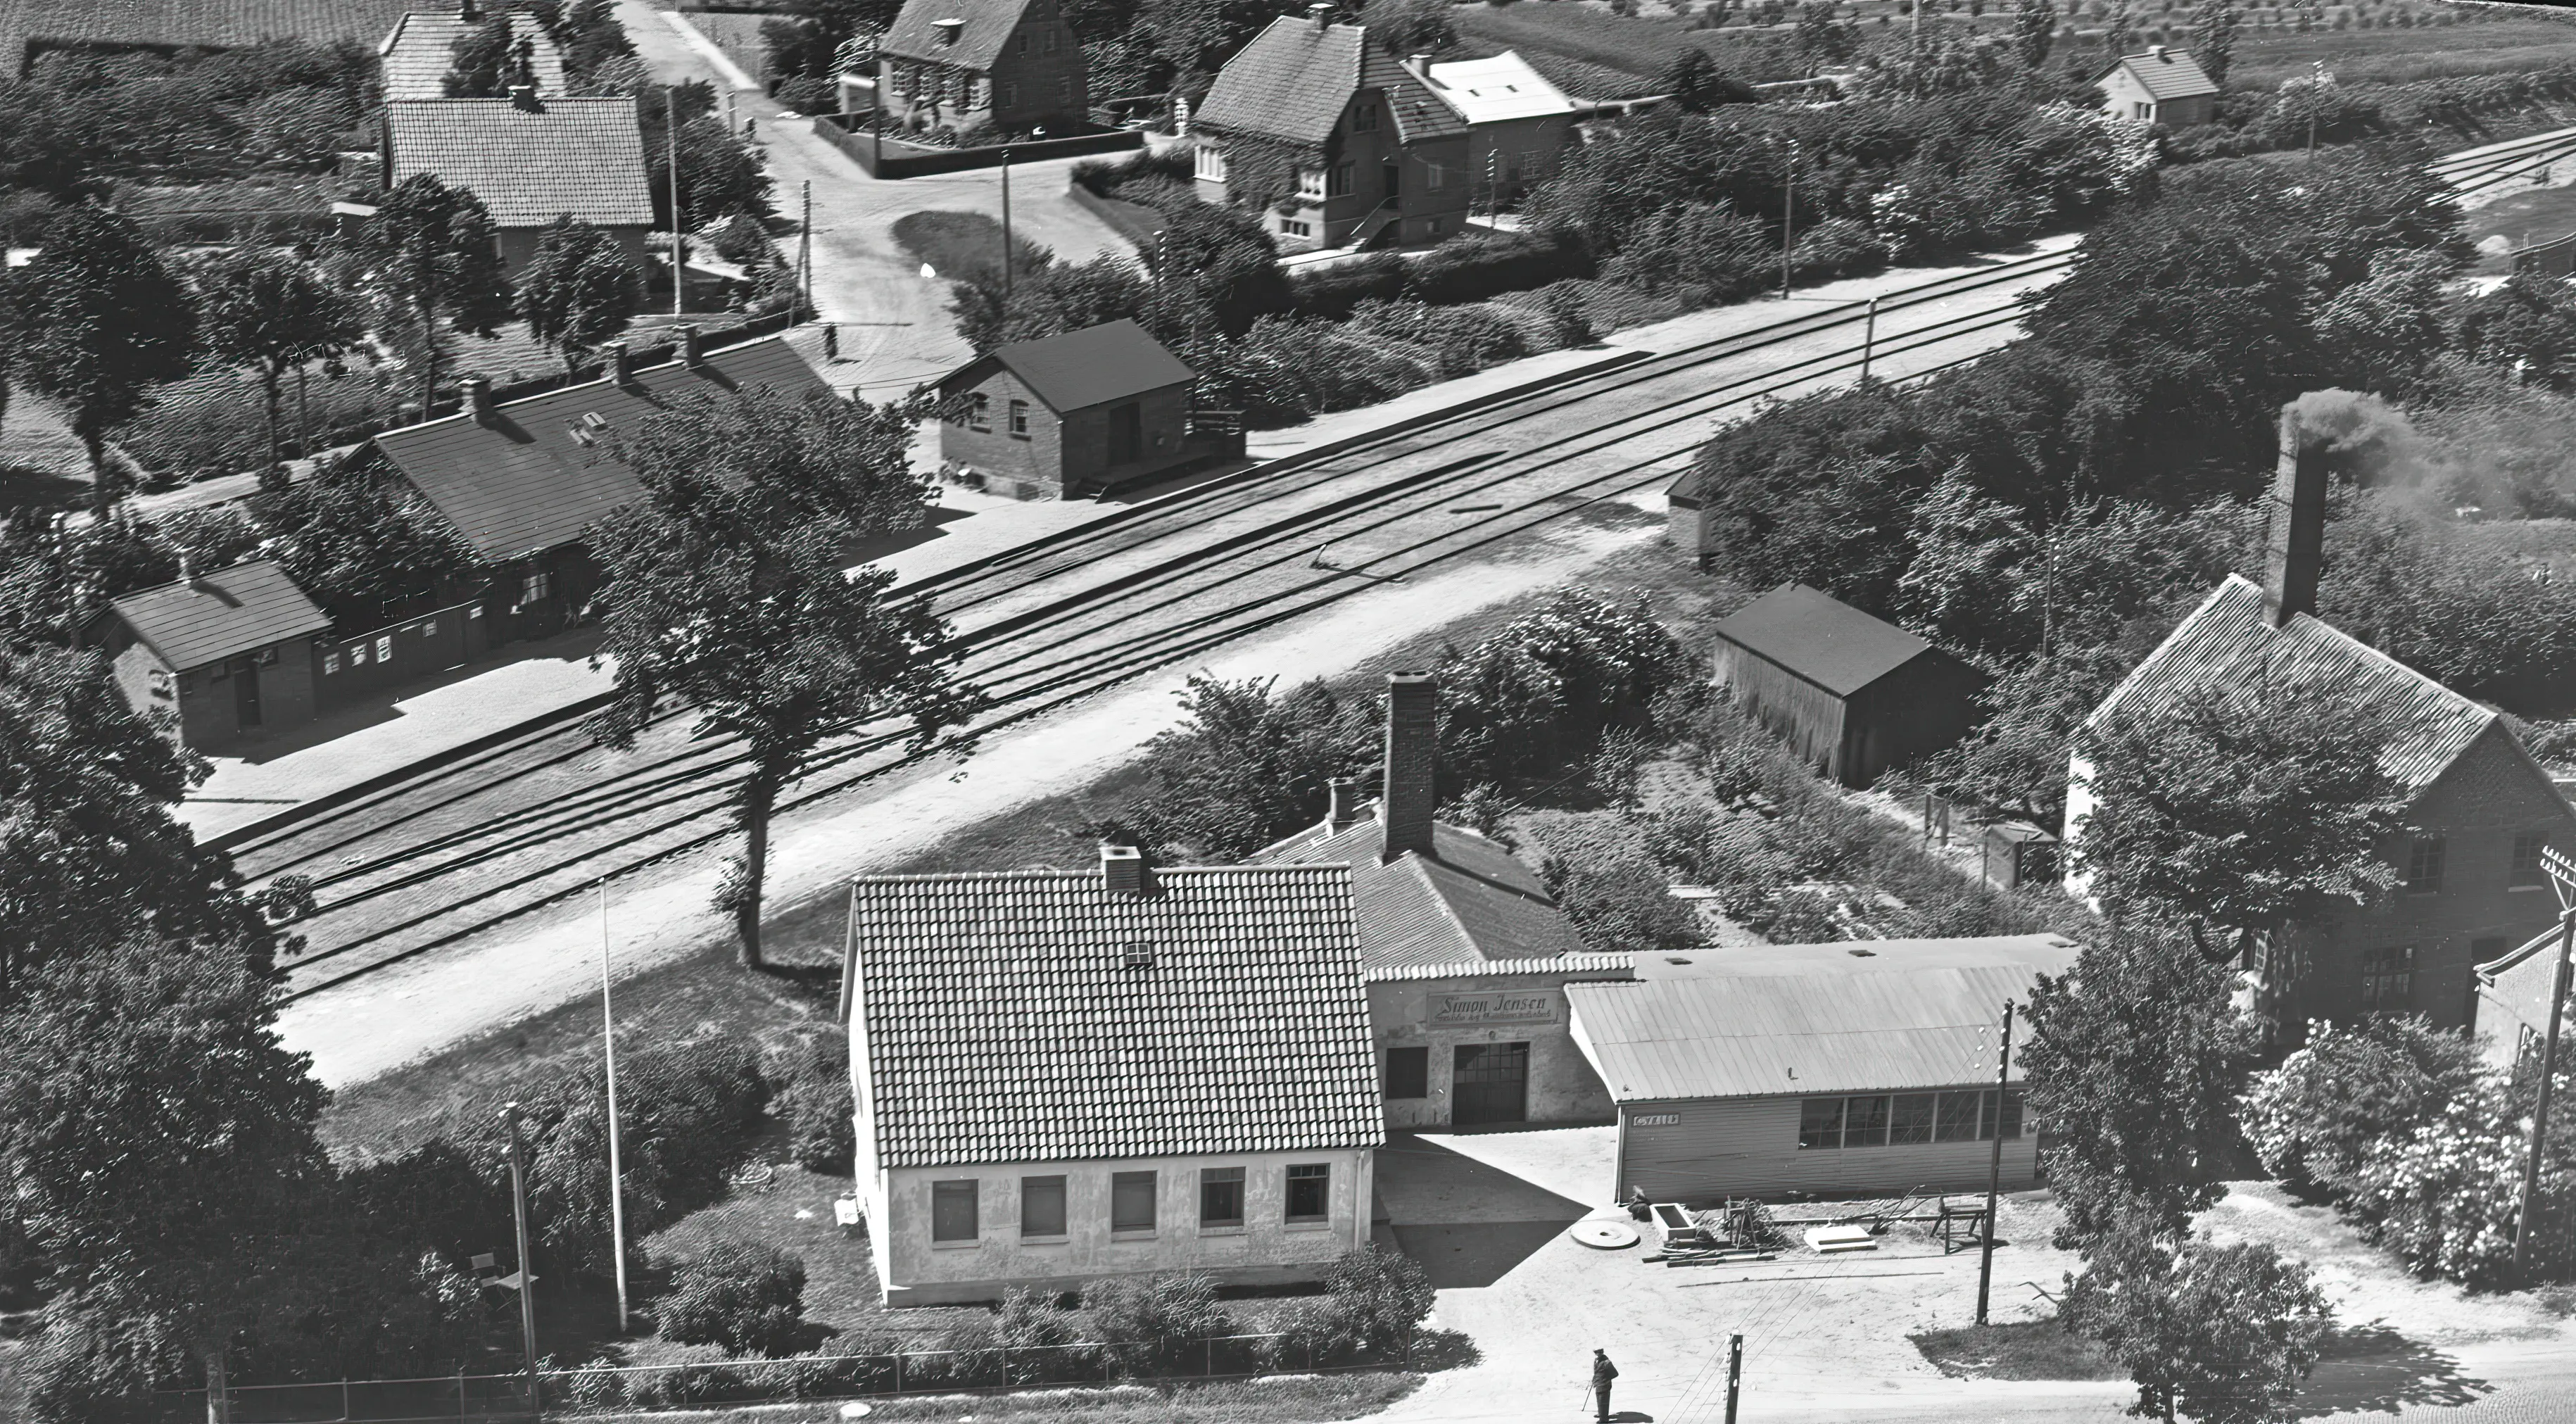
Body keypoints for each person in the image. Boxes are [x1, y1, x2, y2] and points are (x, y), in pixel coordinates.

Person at [1592, 1349, 1619, 1423]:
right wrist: (1595, 1379)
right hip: (1598, 1384)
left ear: (1602, 1352)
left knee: (1603, 1401)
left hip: (1604, 1385)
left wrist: (1606, 1379)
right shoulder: (1596, 1360)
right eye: (1596, 1352)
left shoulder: (1607, 1362)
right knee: (1600, 1401)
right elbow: (1597, 1371)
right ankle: (1602, 1414)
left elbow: (1615, 1373)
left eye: (1599, 1352)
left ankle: (1604, 1420)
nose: (1597, 1354)